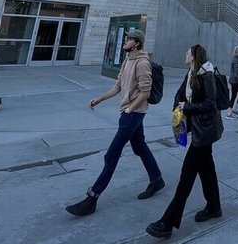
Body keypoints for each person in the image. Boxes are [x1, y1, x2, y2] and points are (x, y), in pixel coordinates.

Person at [65, 29, 164, 216]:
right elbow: (118, 86)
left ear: (136, 43)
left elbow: (146, 92)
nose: (124, 41)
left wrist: (130, 109)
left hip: (133, 115)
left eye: (128, 39)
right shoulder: (127, 60)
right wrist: (100, 99)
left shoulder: (142, 63)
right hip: (130, 113)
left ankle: (92, 197)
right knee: (139, 146)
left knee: (111, 155)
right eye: (125, 38)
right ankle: (157, 179)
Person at [146, 45, 223, 239]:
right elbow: (180, 93)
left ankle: (168, 222)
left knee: (187, 175)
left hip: (204, 132)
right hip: (198, 130)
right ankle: (214, 207)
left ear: (194, 56)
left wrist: (187, 107)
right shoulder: (191, 73)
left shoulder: (207, 75)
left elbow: (210, 104)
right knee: (207, 170)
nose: (185, 54)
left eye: (188, 52)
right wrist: (178, 111)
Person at [226, 46, 238, 119]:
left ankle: (235, 110)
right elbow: (237, 73)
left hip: (237, 81)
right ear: (236, 53)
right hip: (236, 82)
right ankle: (229, 113)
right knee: (234, 96)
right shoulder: (236, 61)